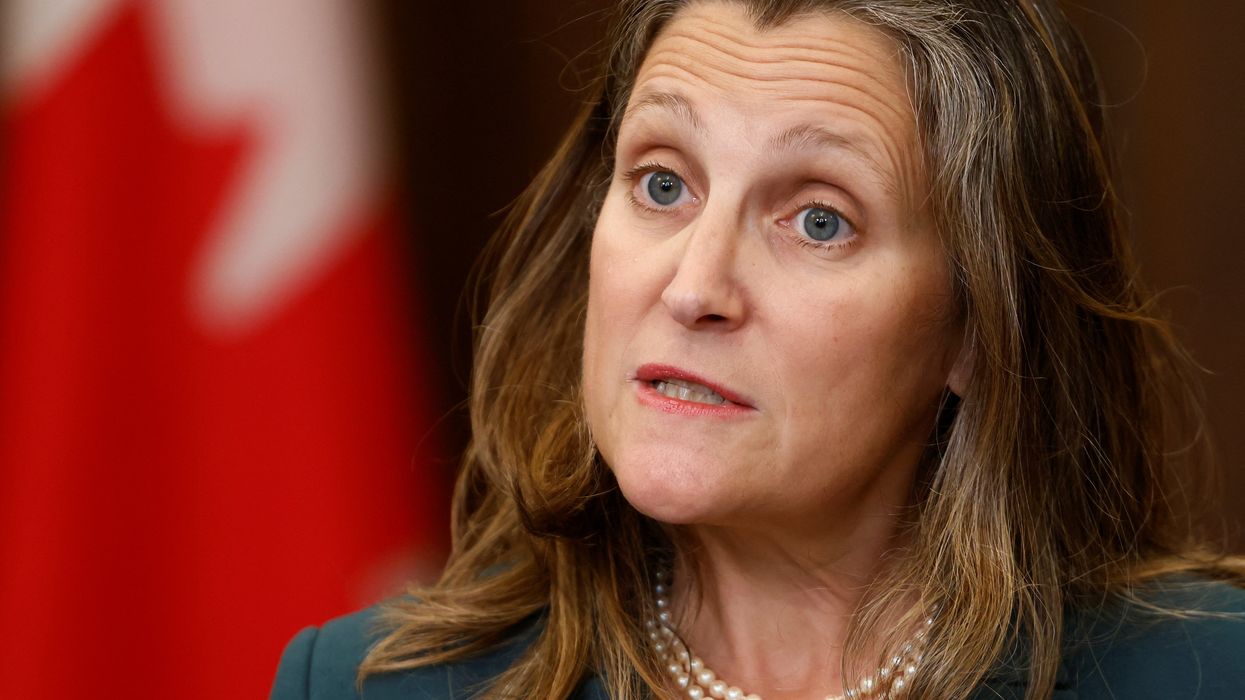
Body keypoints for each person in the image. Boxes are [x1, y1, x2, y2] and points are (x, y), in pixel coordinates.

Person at [271, 0, 1245, 698]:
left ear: (977, 329)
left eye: (819, 221)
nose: (693, 287)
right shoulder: (372, 685)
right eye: (662, 184)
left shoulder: (1210, 671)